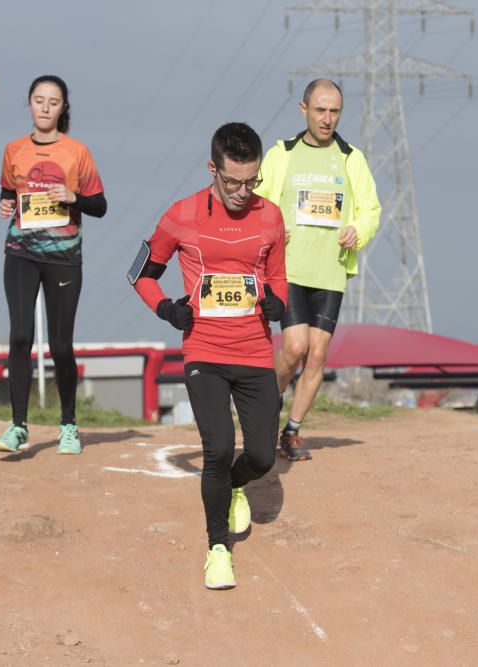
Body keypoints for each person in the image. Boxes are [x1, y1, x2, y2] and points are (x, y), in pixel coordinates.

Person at [130, 122, 287, 590]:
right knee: (217, 448)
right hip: (205, 349)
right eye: (233, 181)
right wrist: (165, 309)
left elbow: (278, 277)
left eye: (251, 181)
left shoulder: (271, 217)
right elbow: (141, 273)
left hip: (255, 350)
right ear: (212, 169)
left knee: (260, 457)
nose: (243, 191)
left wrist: (277, 302)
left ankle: (238, 484)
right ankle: (218, 547)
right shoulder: (181, 215)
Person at [256, 79, 381, 462]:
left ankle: (291, 431)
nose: (327, 119)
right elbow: (260, 204)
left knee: (317, 354)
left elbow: (371, 210)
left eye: (334, 112)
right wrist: (275, 229)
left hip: (330, 271)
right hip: (289, 268)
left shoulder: (350, 158)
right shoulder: (282, 154)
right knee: (294, 348)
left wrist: (356, 231)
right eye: (320, 110)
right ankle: (265, 406)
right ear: (303, 109)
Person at [0, 75, 107, 456]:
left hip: (64, 258)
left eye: (52, 102)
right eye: (38, 100)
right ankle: (18, 425)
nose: (44, 107)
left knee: (60, 345)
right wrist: (5, 204)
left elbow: (99, 205)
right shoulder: (13, 150)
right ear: (29, 104)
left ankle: (69, 425)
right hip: (21, 252)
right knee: (20, 335)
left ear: (63, 108)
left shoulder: (77, 151)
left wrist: (73, 196)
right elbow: (9, 192)